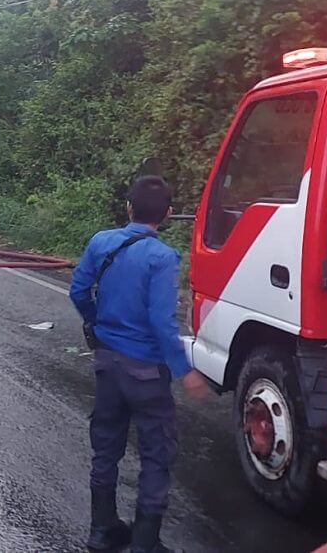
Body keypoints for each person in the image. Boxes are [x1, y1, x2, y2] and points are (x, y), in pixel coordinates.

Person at [69, 175, 210, 553]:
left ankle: (101, 531)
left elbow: (78, 290)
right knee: (156, 455)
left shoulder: (102, 241)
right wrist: (185, 372)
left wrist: (96, 321)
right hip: (146, 373)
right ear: (165, 214)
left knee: (106, 448)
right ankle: (145, 543)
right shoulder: (163, 258)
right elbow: (163, 323)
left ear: (128, 207)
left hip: (107, 366)